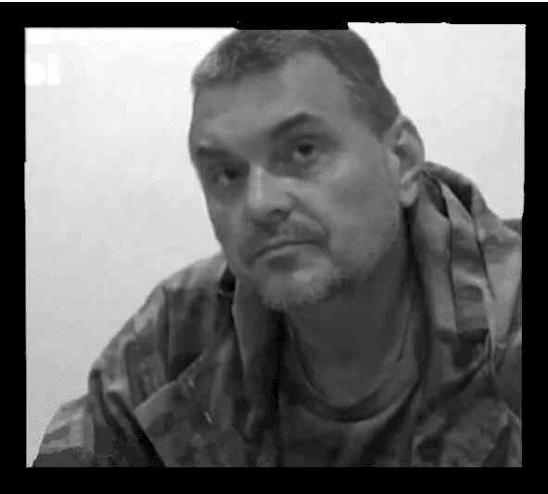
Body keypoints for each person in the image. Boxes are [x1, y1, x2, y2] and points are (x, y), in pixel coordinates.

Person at [32, 29, 522, 467]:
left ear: (402, 159)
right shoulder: (177, 339)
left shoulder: (508, 325)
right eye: (227, 174)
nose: (261, 203)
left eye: (303, 150)